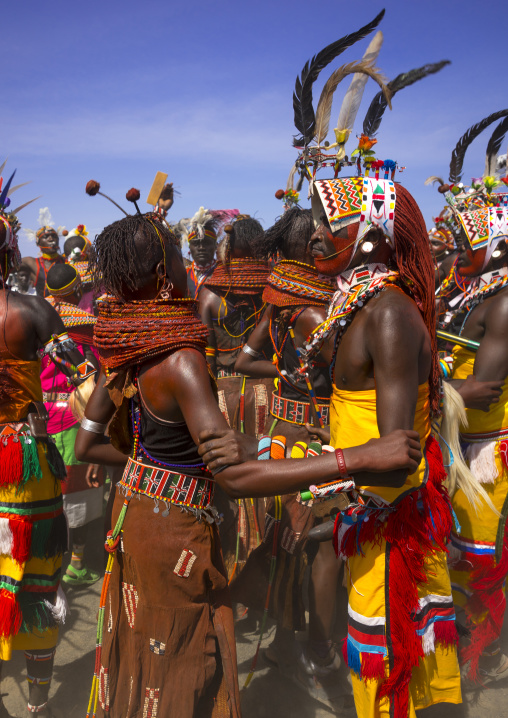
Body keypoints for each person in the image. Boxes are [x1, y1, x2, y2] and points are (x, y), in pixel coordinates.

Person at [75, 209, 422, 718]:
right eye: (175, 254)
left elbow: (87, 443)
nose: (186, 263)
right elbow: (234, 477)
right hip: (174, 534)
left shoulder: (126, 340)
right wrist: (356, 457)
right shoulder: (180, 358)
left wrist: (155, 470)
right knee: (184, 664)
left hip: (134, 516)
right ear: (159, 276)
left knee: (148, 653)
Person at [201, 174, 463, 717]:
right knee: (381, 666)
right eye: (316, 223)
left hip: (394, 528)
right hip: (373, 520)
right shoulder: (361, 306)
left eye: (330, 223)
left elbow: (396, 457)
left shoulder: (387, 312)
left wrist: (297, 473)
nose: (316, 235)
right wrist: (320, 443)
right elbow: (367, 425)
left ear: (372, 233)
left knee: (393, 678)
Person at [233, 208, 344, 699]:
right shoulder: (317, 312)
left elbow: (242, 359)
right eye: (322, 239)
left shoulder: (281, 304)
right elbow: (354, 375)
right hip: (315, 437)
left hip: (279, 433)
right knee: (322, 548)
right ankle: (320, 653)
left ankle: (283, 640)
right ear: (311, 248)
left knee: (289, 540)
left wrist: (280, 376)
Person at [0, 186, 95, 717]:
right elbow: (83, 380)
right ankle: (39, 702)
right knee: (37, 578)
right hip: (29, 459)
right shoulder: (34, 311)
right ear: (12, 253)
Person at [446, 199, 508, 685]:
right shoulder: (477, 294)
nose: (457, 250)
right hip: (463, 444)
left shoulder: (503, 302)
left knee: (479, 556)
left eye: (469, 240)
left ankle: (480, 661)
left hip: (486, 452)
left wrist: (429, 393)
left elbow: (484, 393)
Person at [199, 215, 273, 579]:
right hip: (268, 393)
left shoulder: (210, 291)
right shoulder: (274, 288)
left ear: (227, 246)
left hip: (224, 392)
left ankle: (232, 573)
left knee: (230, 482)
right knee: (271, 473)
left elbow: (203, 356)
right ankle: (265, 569)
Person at [43, 264, 103, 587]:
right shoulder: (84, 325)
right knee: (77, 496)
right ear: (77, 289)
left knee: (47, 493)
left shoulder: (34, 315)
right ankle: (76, 565)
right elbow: (94, 376)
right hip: (74, 416)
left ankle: (46, 560)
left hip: (38, 417)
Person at [22, 227, 65, 299]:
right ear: (38, 243)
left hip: (66, 309)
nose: (51, 239)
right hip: (42, 308)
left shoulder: (66, 261)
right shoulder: (31, 263)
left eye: (54, 236)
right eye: (46, 237)